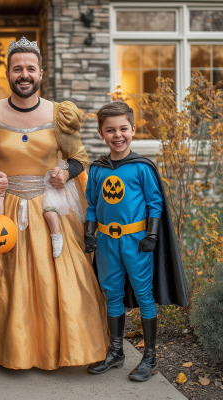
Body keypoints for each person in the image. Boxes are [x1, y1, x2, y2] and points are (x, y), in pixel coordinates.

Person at [0, 37, 109, 370]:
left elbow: (79, 157)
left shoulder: (58, 114)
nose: (23, 74)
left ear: (40, 73)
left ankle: (58, 347)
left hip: (49, 205)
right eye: (17, 69)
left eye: (30, 68)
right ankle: (3, 348)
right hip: (2, 207)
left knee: (66, 278)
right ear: (8, 74)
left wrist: (64, 172)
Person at [85, 102, 189, 381]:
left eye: (123, 129)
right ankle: (116, 352)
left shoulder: (141, 167)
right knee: (112, 294)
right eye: (110, 130)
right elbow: (92, 205)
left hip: (136, 241)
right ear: (101, 133)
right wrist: (89, 232)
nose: (117, 135)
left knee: (144, 294)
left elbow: (155, 203)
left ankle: (150, 357)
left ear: (132, 130)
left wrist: (152, 235)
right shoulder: (96, 169)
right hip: (107, 241)